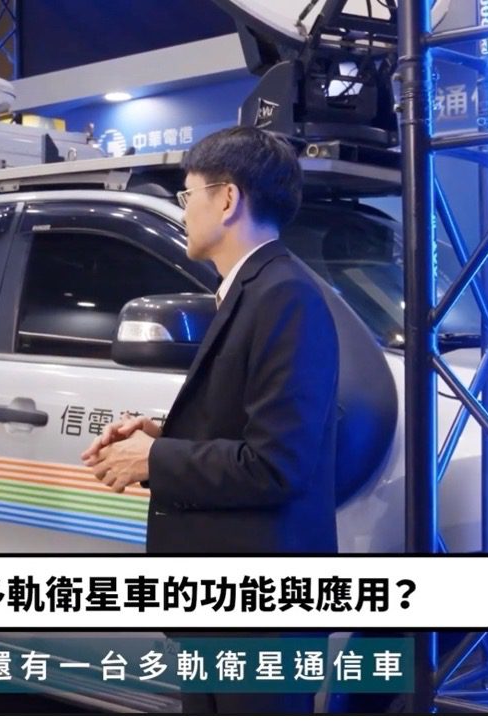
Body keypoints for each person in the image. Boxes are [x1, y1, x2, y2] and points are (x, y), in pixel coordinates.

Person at [82, 126, 340, 714]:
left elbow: (277, 464)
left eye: (188, 194)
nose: (185, 212)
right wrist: (160, 437)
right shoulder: (253, 289)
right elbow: (244, 426)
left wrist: (156, 459)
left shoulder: (284, 296)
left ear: (227, 199)